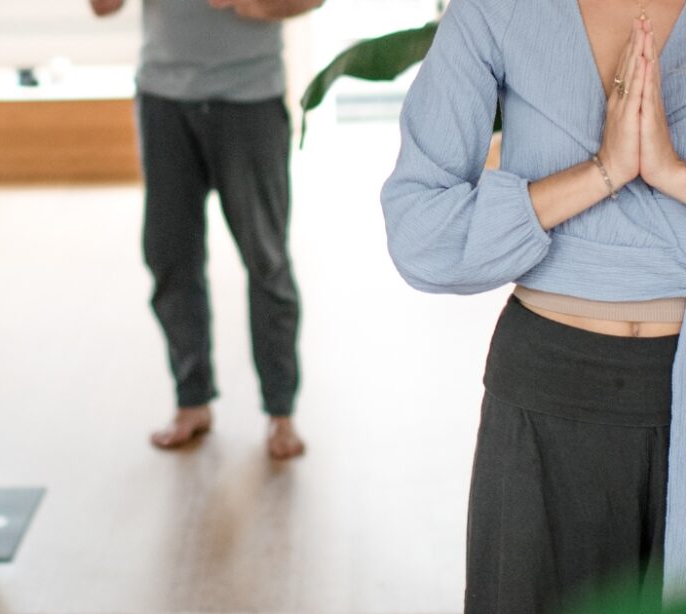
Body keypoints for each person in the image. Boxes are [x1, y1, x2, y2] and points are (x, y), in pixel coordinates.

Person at [381, 0, 686, 610]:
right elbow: (419, 233)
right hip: (548, 391)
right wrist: (602, 172)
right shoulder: (496, 9)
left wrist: (669, 171)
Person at [90, 0, 321, 460]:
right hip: (163, 100)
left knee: (266, 260)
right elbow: (102, 7)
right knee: (170, 259)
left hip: (249, 99)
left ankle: (281, 411)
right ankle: (191, 402)